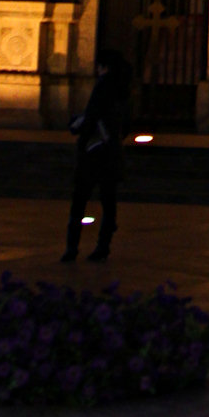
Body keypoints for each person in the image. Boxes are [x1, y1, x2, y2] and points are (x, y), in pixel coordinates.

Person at [62, 47, 132, 262]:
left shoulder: (103, 87)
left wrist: (77, 127)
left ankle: (72, 248)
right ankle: (104, 244)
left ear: (103, 66)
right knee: (108, 199)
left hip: (94, 151)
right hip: (111, 150)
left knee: (80, 199)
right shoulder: (123, 89)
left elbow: (92, 115)